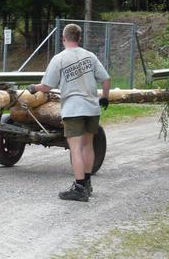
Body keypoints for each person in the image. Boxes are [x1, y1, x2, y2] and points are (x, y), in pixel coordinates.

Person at [29, 23, 110, 202]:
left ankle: (79, 188)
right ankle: (87, 184)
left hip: (74, 109)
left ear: (63, 38)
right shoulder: (90, 56)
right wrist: (105, 97)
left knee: (76, 148)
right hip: (92, 107)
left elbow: (47, 86)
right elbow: (106, 79)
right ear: (79, 38)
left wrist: (33, 88)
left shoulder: (59, 59)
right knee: (88, 145)